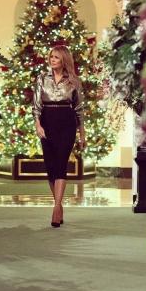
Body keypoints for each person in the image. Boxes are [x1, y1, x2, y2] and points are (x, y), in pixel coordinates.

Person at [33, 45, 86, 228]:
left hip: (66, 123)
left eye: (56, 57)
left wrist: (82, 134)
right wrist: (38, 125)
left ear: (64, 60)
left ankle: (56, 208)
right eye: (51, 57)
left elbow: (79, 109)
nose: (52, 60)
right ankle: (59, 204)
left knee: (61, 163)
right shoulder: (41, 78)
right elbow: (36, 106)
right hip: (47, 122)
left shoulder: (74, 81)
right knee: (51, 166)